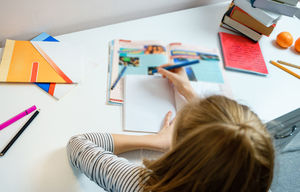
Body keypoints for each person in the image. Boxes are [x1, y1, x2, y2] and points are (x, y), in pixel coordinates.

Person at [67, 64, 275, 192]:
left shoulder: (144, 185)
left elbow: (77, 145)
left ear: (181, 153)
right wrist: (191, 94)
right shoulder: (250, 179)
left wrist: (154, 141)